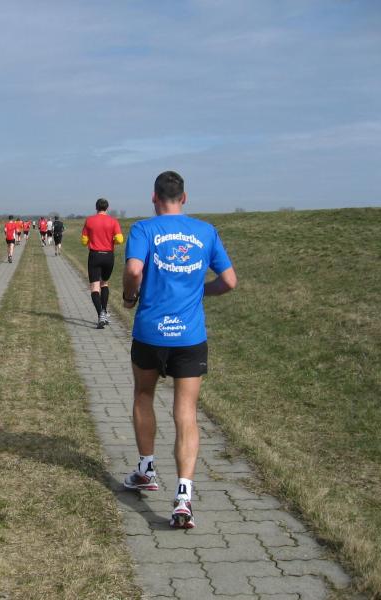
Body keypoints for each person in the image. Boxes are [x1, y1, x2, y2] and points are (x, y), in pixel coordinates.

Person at [121, 170, 236, 529]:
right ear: (184, 198)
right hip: (189, 337)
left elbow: (134, 270)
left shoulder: (144, 229)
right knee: (185, 411)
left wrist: (129, 296)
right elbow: (229, 281)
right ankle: (184, 497)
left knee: (143, 395)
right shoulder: (206, 231)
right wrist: (201, 291)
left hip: (150, 333)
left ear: (154, 197)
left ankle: (146, 470)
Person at [81, 199, 123, 328]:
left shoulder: (89, 220)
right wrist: (111, 241)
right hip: (108, 256)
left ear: (96, 207)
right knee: (104, 283)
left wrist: (91, 241)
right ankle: (104, 311)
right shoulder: (113, 221)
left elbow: (84, 241)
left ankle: (100, 315)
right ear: (107, 208)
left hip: (94, 255)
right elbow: (120, 239)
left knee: (95, 287)